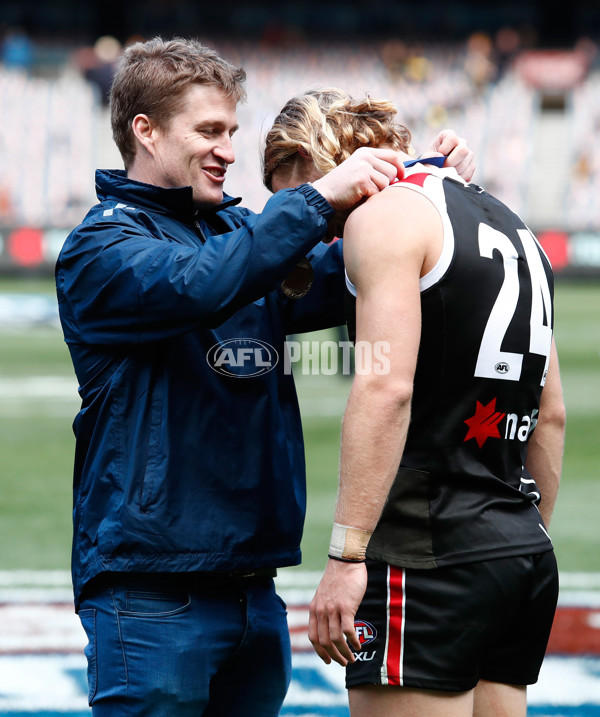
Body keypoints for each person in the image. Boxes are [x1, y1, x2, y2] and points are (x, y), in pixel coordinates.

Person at [56, 36, 475, 716]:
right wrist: (315, 199)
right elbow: (202, 283)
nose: (228, 149)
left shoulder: (241, 236)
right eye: (209, 130)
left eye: (232, 130)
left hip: (255, 591)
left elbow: (354, 273)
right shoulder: (102, 246)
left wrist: (425, 188)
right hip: (152, 593)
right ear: (146, 131)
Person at [263, 88, 565, 717]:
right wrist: (521, 535)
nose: (312, 225)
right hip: (517, 547)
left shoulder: (383, 218)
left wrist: (346, 557)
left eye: (304, 194)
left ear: (326, 157)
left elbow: (384, 385)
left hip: (424, 553)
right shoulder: (510, 220)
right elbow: (550, 412)